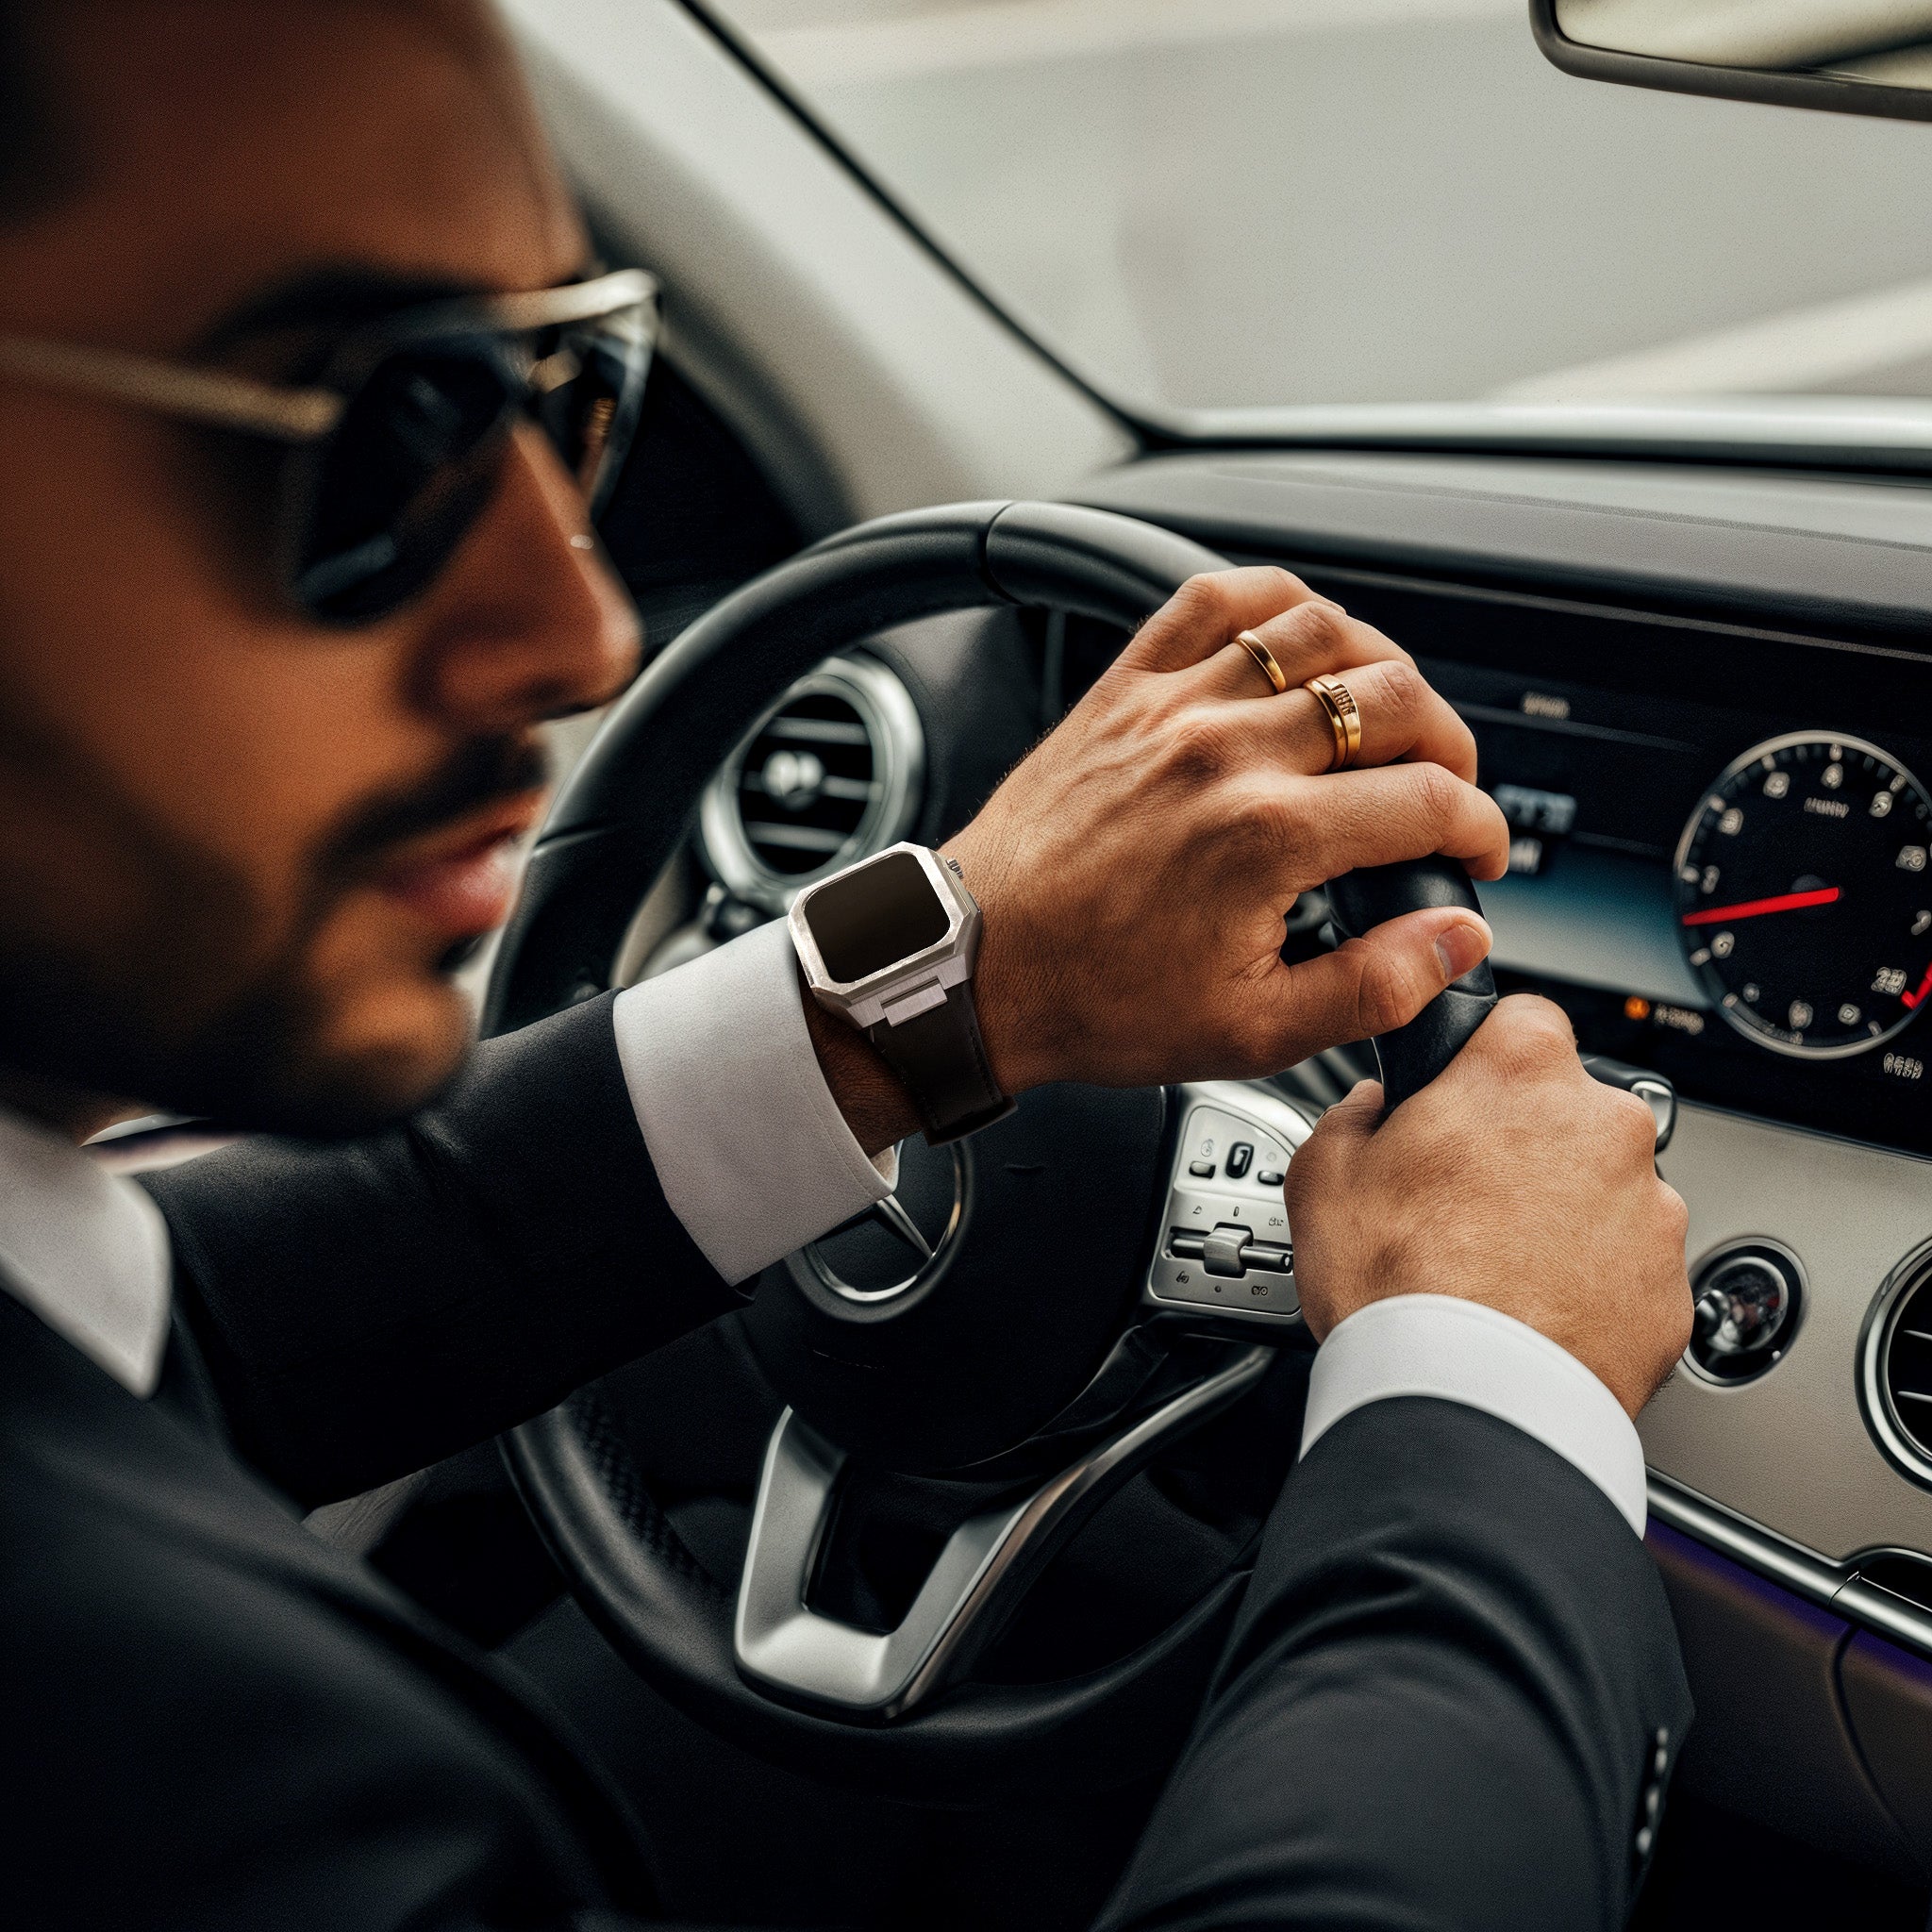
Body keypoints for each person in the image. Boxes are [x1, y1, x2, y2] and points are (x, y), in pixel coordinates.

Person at [0, 4, 1694, 1928]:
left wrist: (939, 972)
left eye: (566, 396)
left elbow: (202, 1313)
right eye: (395, 427)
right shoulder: (225, 1812)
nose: (576, 632)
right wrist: (1486, 1386)